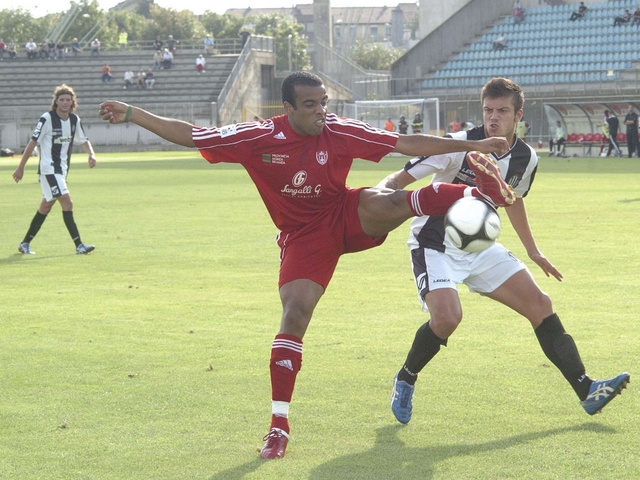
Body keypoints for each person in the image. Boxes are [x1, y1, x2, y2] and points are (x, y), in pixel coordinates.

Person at [98, 71, 514, 460]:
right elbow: (193, 135)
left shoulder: (339, 130)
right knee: (294, 314)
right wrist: (135, 114)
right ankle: (278, 425)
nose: (321, 111)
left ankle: (475, 195)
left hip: (345, 214)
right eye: (311, 104)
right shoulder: (258, 136)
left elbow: (406, 144)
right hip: (304, 237)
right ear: (288, 108)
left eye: (324, 103)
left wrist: (472, 148)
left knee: (390, 201)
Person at [379, 77, 630, 428]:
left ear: (518, 116)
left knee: (540, 305)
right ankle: (406, 377)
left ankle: (587, 389)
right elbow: (401, 178)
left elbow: (513, 200)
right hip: (434, 243)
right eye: (487, 110)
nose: (493, 118)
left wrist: (534, 251)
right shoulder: (456, 144)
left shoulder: (526, 158)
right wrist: (374, 196)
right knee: (448, 319)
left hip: (479, 245)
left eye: (502, 111)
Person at [12, 84, 97, 255]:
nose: (65, 102)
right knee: (67, 202)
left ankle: (25, 243)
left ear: (73, 102)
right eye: (62, 99)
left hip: (61, 171)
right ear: (56, 101)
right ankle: (79, 244)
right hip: (48, 170)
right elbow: (32, 143)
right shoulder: (47, 118)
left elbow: (84, 140)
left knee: (46, 206)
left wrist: (92, 154)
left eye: (68, 100)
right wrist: (21, 168)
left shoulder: (74, 120)